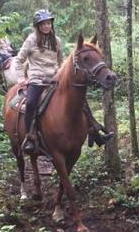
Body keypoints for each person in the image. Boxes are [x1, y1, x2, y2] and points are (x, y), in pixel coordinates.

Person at [17, 9, 114, 153]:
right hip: (37, 80)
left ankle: (94, 131)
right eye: (43, 24)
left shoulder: (56, 41)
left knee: (80, 101)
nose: (46, 26)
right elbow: (19, 60)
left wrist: (60, 75)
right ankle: (30, 137)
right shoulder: (31, 40)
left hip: (55, 79)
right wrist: (21, 78)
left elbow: (60, 61)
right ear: (37, 26)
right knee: (31, 103)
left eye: (48, 23)